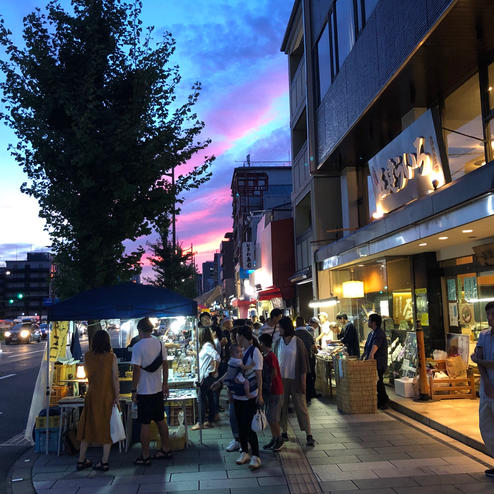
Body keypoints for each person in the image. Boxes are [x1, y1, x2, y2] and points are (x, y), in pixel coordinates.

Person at [76, 330, 119, 471]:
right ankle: (104, 461)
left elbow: (88, 376)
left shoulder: (87, 356)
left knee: (87, 426)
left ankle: (81, 460)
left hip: (92, 394)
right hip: (107, 395)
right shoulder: (111, 357)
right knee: (106, 427)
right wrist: (117, 397)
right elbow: (115, 378)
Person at [131, 317, 172, 465]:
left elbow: (136, 370)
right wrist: (165, 384)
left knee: (145, 423)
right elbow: (165, 365)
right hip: (157, 390)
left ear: (140, 330)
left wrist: (133, 389)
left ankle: (145, 455)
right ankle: (166, 449)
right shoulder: (160, 344)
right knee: (161, 421)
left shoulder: (137, 347)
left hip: (144, 391)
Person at [274, 317, 314, 447]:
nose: (278, 329)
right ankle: (284, 431)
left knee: (301, 407)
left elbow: (303, 364)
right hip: (281, 380)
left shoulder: (298, 342)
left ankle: (309, 434)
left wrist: (303, 382)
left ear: (286, 328)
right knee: (281, 407)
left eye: (280, 327)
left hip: (295, 379)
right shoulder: (278, 342)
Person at [233, 326, 264, 470]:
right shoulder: (241, 351)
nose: (235, 338)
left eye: (237, 335)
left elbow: (259, 375)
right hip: (238, 394)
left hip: (251, 394)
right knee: (240, 425)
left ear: (242, 336)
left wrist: (260, 395)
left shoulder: (254, 351)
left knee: (249, 426)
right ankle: (245, 452)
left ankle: (256, 455)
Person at [471, 302, 494, 478]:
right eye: (488, 315)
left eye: (492, 314)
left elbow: (479, 358)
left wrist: (479, 360)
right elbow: (478, 356)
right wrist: (486, 380)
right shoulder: (484, 335)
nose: (490, 318)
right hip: (487, 386)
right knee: (486, 424)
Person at [259, 333, 284, 451]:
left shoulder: (270, 356)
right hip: (271, 390)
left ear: (263, 343)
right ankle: (274, 438)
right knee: (270, 417)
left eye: (260, 343)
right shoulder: (266, 355)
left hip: (275, 390)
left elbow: (274, 372)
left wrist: (267, 383)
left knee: (272, 417)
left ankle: (279, 439)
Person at [192, 326, 219, 430]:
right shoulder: (207, 345)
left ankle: (201, 422)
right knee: (210, 397)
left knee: (201, 398)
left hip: (206, 377)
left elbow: (217, 356)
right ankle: (210, 420)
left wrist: (215, 369)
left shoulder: (207, 346)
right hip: (207, 376)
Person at [362, 313, 389, 410]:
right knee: (377, 382)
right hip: (373, 362)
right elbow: (367, 349)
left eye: (369, 321)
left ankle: (383, 401)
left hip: (378, 362)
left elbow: (374, 349)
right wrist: (363, 357)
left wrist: (370, 358)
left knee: (379, 382)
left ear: (373, 323)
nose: (367, 322)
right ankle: (381, 400)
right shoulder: (371, 333)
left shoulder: (379, 334)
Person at [295, 316, 317, 405]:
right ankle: (307, 399)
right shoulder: (308, 334)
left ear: (296, 323)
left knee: (297, 380)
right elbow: (313, 348)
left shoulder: (293, 334)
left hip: (296, 361)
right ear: (304, 323)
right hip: (308, 360)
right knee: (307, 379)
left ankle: (298, 399)